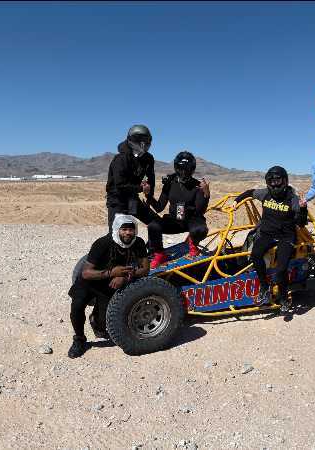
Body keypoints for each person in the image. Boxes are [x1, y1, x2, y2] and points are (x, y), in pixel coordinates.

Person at [67, 214, 149, 358]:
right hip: (89, 282)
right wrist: (112, 272)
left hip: (109, 285)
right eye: (124, 229)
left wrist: (125, 276)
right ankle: (79, 339)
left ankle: (96, 320)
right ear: (117, 229)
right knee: (77, 307)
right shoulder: (103, 243)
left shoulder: (138, 243)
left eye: (131, 229)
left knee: (102, 324)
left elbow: (145, 269)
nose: (128, 233)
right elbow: (86, 273)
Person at [234, 166, 307, 314]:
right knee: (255, 255)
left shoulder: (292, 198)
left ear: (285, 181)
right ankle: (264, 288)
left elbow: (301, 223)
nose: (274, 184)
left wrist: (303, 208)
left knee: (281, 269)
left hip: (286, 236)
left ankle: (284, 298)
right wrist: (236, 201)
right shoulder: (265, 193)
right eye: (271, 182)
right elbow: (250, 192)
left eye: (277, 181)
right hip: (267, 234)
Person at [144, 151, 210, 269]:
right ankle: (159, 255)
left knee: (201, 229)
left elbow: (200, 211)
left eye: (187, 169)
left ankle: (193, 246)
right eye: (181, 169)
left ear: (192, 169)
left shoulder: (197, 186)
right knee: (153, 226)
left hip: (190, 221)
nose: (184, 172)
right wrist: (148, 195)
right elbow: (159, 207)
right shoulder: (169, 183)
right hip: (174, 221)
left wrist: (206, 194)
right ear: (176, 168)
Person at [105, 124, 157, 231]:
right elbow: (120, 185)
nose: (145, 145)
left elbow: (151, 178)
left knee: (156, 223)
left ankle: (154, 244)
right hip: (117, 200)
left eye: (147, 142)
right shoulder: (121, 159)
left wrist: (149, 197)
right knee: (117, 232)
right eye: (142, 142)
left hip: (133, 198)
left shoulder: (148, 158)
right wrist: (141, 188)